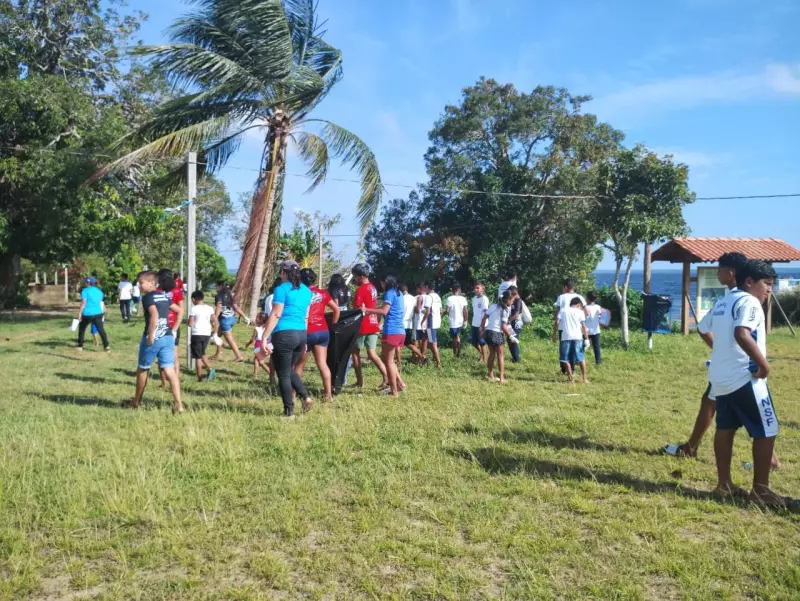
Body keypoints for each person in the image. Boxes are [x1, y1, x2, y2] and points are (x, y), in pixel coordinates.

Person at [663, 252, 782, 467]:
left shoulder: (737, 300)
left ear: (730, 273)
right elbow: (714, 330)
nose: (717, 274)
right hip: (735, 369)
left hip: (737, 371)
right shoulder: (734, 300)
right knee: (741, 418)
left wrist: (727, 352)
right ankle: (700, 454)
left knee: (732, 417)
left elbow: (738, 333)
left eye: (719, 270)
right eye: (767, 284)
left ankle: (697, 452)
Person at [702, 259, 783, 506]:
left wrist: (721, 351)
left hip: (720, 378)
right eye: (766, 284)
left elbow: (704, 327)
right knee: (768, 430)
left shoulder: (723, 301)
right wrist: (764, 365)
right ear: (749, 282)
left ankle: (723, 484)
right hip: (744, 377)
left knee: (725, 428)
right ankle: (761, 491)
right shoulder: (750, 301)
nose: (769, 290)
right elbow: (742, 333)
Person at [261, 260, 314, 418]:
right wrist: (304, 340)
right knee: (289, 370)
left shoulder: (281, 289)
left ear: (284, 272)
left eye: (280, 272)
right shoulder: (306, 291)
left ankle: (289, 411)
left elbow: (276, 314)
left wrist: (264, 337)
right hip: (301, 334)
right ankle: (306, 397)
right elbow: (306, 316)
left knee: (283, 374)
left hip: (284, 333)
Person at [126, 271, 183, 413]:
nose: (139, 286)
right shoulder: (163, 296)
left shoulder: (148, 297)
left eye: (141, 283)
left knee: (143, 369)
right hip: (168, 337)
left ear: (151, 283)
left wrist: (151, 336)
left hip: (154, 338)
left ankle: (136, 402)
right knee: (169, 370)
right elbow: (180, 311)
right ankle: (179, 404)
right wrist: (174, 328)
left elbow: (154, 315)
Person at [294, 268, 340, 401]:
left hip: (306, 331)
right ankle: (328, 395)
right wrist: (333, 326)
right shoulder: (323, 293)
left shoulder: (299, 293)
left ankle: (294, 394)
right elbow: (336, 309)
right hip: (322, 331)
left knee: (299, 365)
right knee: (322, 364)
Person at [363, 274, 407, 396]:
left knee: (389, 362)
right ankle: (400, 384)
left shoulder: (389, 293)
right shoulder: (398, 293)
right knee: (385, 357)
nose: (381, 285)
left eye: (382, 283)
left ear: (385, 282)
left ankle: (394, 391)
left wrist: (367, 310)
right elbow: (386, 308)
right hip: (400, 330)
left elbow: (384, 311)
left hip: (392, 330)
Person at [351, 263, 389, 389]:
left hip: (362, 324)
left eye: (355, 277)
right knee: (372, 354)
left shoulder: (361, 289)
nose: (354, 279)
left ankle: (359, 382)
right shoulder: (373, 287)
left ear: (361, 276)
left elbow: (358, 308)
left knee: (355, 352)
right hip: (373, 322)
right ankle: (386, 377)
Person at [480, 290, 518, 383]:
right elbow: (503, 326)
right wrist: (511, 336)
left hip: (488, 332)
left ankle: (490, 375)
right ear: (508, 300)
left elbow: (485, 316)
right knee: (500, 356)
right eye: (512, 300)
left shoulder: (493, 306)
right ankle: (501, 378)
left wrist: (482, 328)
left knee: (492, 354)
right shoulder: (505, 310)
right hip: (497, 333)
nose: (512, 302)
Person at [158, 269, 185, 389]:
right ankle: (175, 381)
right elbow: (181, 309)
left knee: (161, 355)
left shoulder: (157, 291)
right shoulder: (177, 290)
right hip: (174, 325)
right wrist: (176, 327)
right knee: (174, 355)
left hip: (161, 325)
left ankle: (164, 383)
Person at [552, 279, 586, 373]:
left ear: (565, 287)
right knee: (574, 350)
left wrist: (555, 318)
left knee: (564, 350)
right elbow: (585, 311)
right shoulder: (579, 297)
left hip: (563, 327)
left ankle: (564, 369)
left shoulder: (561, 297)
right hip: (576, 328)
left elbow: (558, 310)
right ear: (573, 287)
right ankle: (573, 369)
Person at [213, 280, 250, 362]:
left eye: (216, 286)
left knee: (229, 339)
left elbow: (219, 308)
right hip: (232, 318)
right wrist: (245, 317)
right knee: (218, 335)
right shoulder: (229, 295)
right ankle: (218, 354)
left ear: (220, 286)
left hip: (224, 320)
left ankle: (239, 356)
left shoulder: (218, 296)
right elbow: (235, 307)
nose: (216, 288)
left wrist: (215, 319)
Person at [558, 296, 590, 384]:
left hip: (565, 337)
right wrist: (586, 338)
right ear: (578, 304)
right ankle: (585, 378)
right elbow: (583, 326)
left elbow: (557, 322)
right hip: (578, 337)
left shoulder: (563, 310)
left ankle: (570, 378)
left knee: (564, 359)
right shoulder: (580, 312)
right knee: (580, 358)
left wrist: (554, 335)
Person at [188, 290, 217, 382]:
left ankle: (200, 377)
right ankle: (209, 370)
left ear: (193, 299)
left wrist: (190, 322)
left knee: (197, 357)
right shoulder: (210, 308)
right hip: (207, 334)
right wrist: (214, 332)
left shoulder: (194, 309)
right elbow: (215, 320)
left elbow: (190, 323)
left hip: (197, 334)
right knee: (202, 352)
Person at [76, 276, 109, 352]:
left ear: (88, 283)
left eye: (85, 282)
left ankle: (80, 346)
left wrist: (80, 312)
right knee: (101, 330)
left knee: (82, 328)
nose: (84, 283)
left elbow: (83, 302)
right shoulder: (99, 291)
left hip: (88, 313)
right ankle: (106, 346)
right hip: (98, 313)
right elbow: (100, 301)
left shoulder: (85, 291)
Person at [244, 312, 273, 381]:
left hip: (259, 346)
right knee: (256, 360)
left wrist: (247, 344)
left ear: (260, 320)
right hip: (268, 345)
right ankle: (255, 374)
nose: (255, 319)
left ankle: (270, 374)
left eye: (257, 317)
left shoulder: (257, 328)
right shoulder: (268, 328)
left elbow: (252, 339)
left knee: (261, 362)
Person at [401, 284, 424, 366]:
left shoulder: (401, 298)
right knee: (408, 343)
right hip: (409, 323)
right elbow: (416, 310)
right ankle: (422, 356)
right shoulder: (413, 298)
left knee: (398, 344)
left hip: (401, 323)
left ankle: (399, 363)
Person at [445, 283, 469, 358]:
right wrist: (466, 320)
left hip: (453, 322)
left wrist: (442, 314)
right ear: (460, 290)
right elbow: (466, 311)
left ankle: (455, 353)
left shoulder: (450, 298)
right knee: (458, 336)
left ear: (452, 290)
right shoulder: (463, 298)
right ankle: (458, 351)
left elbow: (447, 311)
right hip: (460, 321)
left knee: (454, 338)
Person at [423, 281, 443, 368]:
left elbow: (427, 312)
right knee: (432, 342)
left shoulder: (428, 297)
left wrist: (422, 321)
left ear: (427, 287)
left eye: (424, 287)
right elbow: (441, 310)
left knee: (433, 343)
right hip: (437, 321)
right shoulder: (437, 296)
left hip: (431, 322)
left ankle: (438, 363)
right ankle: (435, 358)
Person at [470, 281, 489, 362]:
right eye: (475, 288)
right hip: (474, 323)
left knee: (482, 342)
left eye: (478, 288)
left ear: (482, 288)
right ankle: (482, 353)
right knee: (472, 340)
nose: (476, 290)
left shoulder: (484, 299)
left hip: (482, 324)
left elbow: (486, 313)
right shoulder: (473, 299)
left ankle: (484, 360)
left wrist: (482, 325)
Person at [584, 291, 604, 365]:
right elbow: (601, 317)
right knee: (596, 347)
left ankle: (578, 360)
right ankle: (598, 362)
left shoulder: (585, 307)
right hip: (596, 331)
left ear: (587, 298)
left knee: (581, 346)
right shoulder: (598, 307)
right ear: (595, 299)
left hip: (586, 331)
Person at [506, 286, 523, 363]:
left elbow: (516, 314)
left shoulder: (518, 301)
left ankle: (517, 359)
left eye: (511, 294)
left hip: (516, 324)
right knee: (509, 339)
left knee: (513, 340)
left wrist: (509, 320)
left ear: (515, 294)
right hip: (510, 323)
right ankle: (514, 357)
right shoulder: (511, 301)